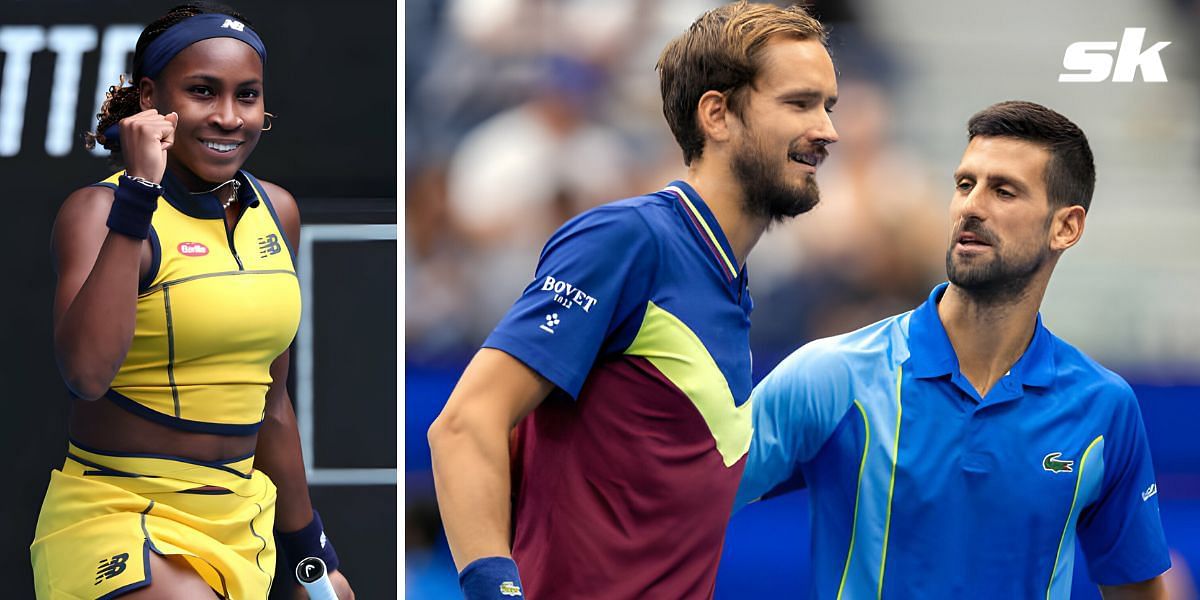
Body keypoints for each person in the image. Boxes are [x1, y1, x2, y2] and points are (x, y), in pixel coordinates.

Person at [427, 1, 839, 598]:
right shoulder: (630, 239)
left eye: (828, 106)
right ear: (717, 115)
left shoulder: (726, 281)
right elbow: (465, 425)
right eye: (800, 103)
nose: (827, 129)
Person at [736, 101, 1171, 598]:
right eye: (965, 184)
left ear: (1066, 227)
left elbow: (1138, 589)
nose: (972, 206)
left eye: (1003, 191)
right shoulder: (832, 375)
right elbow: (677, 499)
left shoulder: (1104, 407)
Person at [29, 3, 353, 598]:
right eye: (203, 92)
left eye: (247, 96)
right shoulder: (98, 212)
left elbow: (272, 401)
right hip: (118, 513)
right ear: (151, 98)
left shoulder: (278, 211)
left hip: (240, 522)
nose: (229, 117)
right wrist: (140, 192)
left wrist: (313, 558)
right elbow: (87, 373)